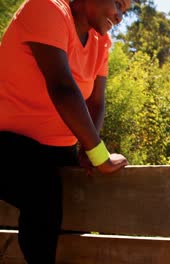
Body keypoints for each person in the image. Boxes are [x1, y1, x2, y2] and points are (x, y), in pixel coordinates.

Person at [0, 0, 131, 262]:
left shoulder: (100, 42)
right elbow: (62, 88)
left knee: (76, 207)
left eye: (124, 12)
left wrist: (88, 147)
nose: (119, 17)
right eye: (118, 4)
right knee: (43, 194)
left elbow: (96, 102)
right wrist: (100, 155)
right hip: (7, 143)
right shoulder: (46, 8)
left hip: (58, 151)